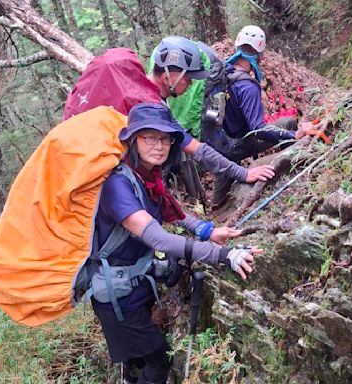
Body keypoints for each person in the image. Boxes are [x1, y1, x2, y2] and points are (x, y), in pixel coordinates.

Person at [91, 102, 260, 384]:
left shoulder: (146, 176)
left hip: (135, 287)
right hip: (116, 298)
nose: (159, 145)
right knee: (157, 361)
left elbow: (172, 211)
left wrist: (207, 231)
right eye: (150, 137)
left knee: (138, 361)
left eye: (165, 138)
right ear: (133, 139)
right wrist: (223, 255)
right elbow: (156, 237)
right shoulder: (117, 185)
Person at [64, 36, 275, 190]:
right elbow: (198, 150)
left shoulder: (138, 88)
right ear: (169, 76)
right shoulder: (151, 109)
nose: (191, 83)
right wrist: (244, 173)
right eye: (188, 77)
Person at [212, 26, 299, 208]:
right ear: (260, 53)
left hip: (220, 143)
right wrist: (293, 136)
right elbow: (258, 129)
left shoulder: (224, 72)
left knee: (219, 199)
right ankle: (293, 172)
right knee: (289, 124)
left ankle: (218, 207)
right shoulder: (247, 86)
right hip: (238, 145)